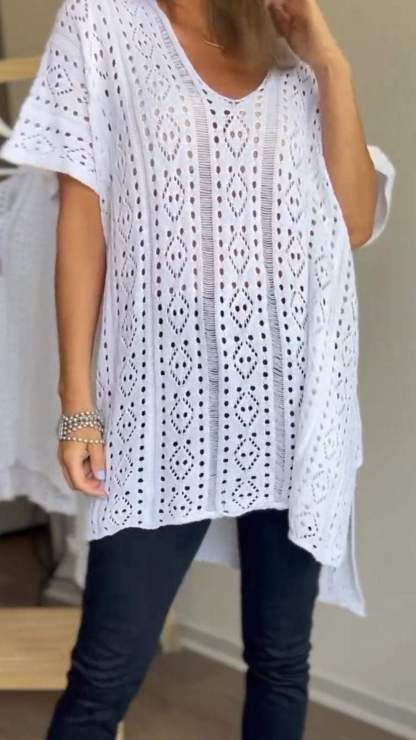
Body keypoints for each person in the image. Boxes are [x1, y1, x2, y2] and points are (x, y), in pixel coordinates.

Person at [0, 0, 395, 738]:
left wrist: (330, 62)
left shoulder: (287, 41)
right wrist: (77, 403)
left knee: (282, 660)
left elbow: (351, 222)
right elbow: (81, 220)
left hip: (296, 404)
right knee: (103, 676)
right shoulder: (101, 23)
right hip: (160, 403)